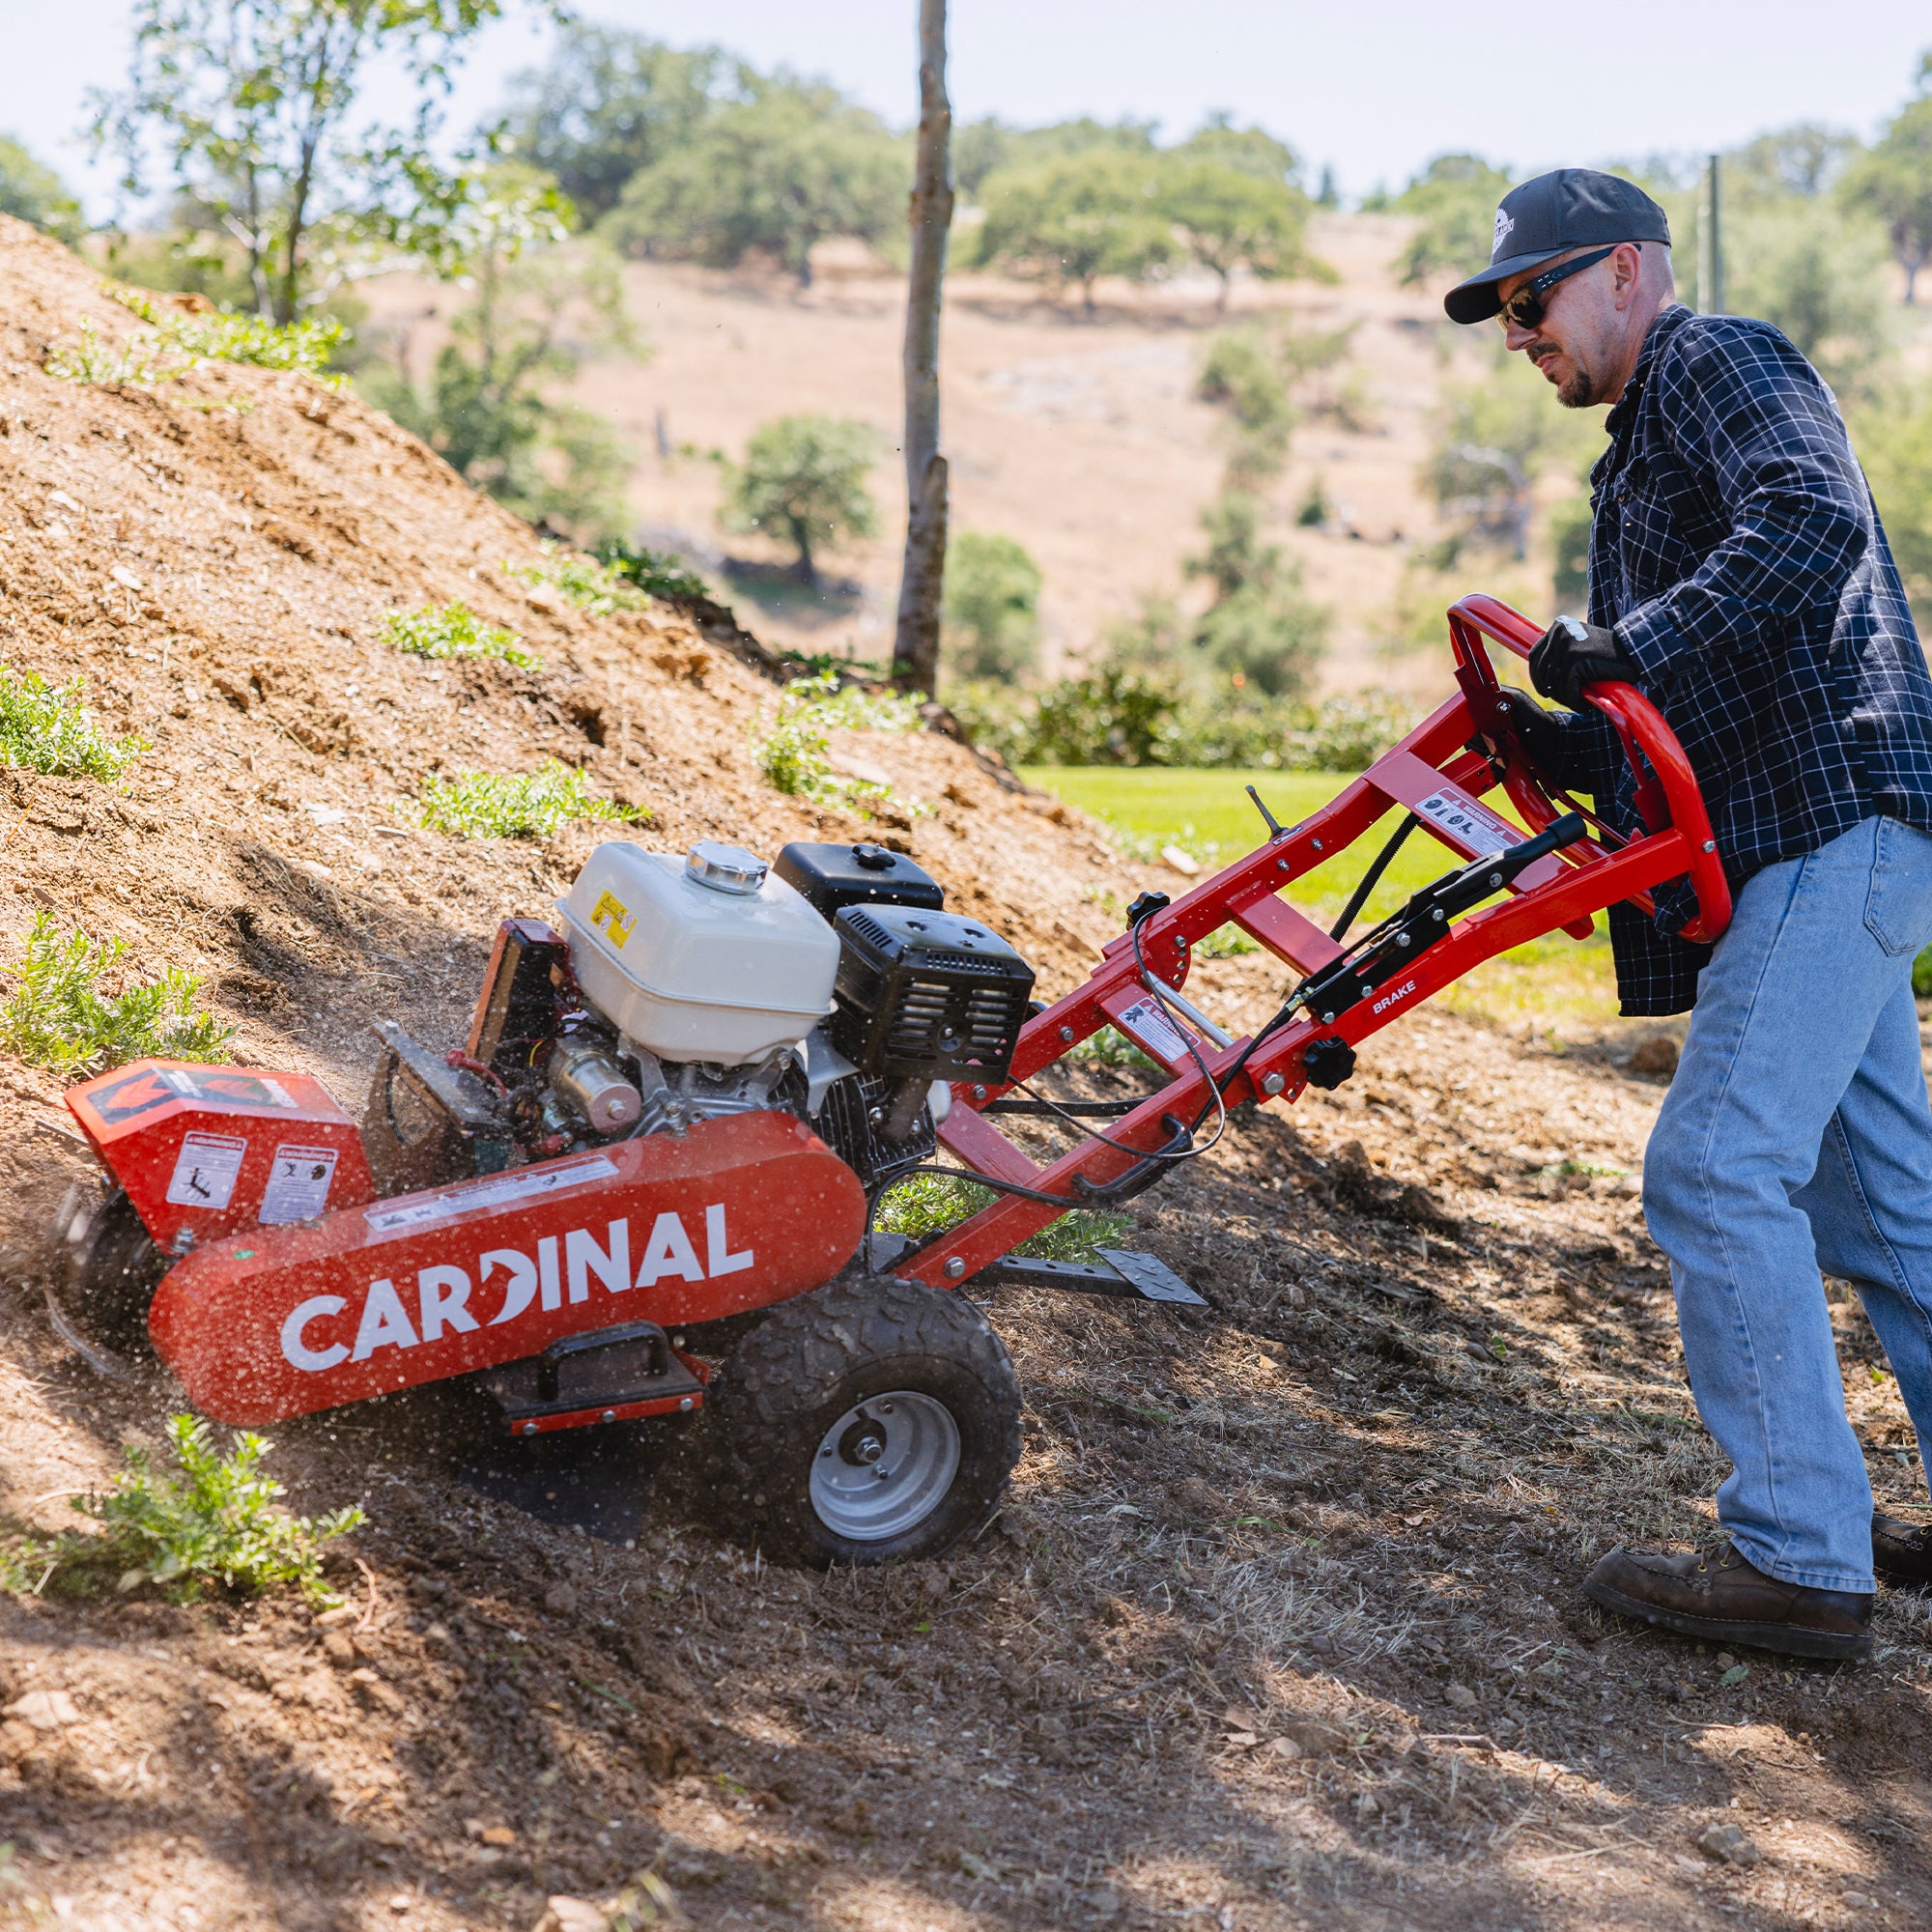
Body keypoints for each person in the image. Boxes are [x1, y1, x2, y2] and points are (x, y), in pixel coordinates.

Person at [1444, 168, 1932, 1662]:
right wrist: (1564, 738)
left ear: (1630, 272)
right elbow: (1681, 694)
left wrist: (1617, 646)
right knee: (1885, 1208)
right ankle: (1827, 1533)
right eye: (1505, 316)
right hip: (1810, 825)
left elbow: (1807, 526)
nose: (1522, 335)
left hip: (1828, 817)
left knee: (1715, 1168)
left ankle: (1797, 1557)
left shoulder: (1719, 360)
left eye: (1536, 299)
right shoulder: (1634, 453)